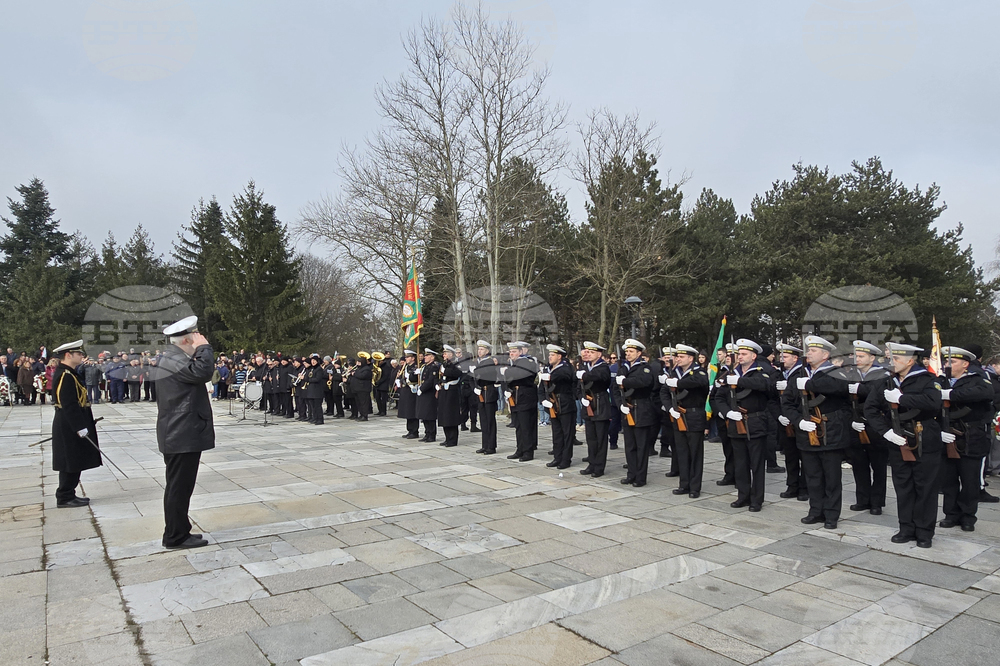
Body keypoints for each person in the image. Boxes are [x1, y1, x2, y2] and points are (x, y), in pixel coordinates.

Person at [864, 343, 943, 549]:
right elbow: (870, 408)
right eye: (891, 359)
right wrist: (886, 432)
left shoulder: (927, 379)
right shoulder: (885, 381)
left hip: (924, 436)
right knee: (903, 485)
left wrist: (903, 398)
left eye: (896, 359)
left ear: (910, 361)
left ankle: (925, 531)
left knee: (925, 486)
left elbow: (934, 402)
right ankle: (906, 527)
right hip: (897, 438)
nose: (892, 363)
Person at [155, 316, 214, 550]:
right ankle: (175, 536)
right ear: (187, 340)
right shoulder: (174, 359)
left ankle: (180, 530)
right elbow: (203, 372)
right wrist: (205, 348)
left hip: (180, 431)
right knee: (179, 488)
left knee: (180, 487)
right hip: (181, 432)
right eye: (195, 340)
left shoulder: (174, 358)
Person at [783, 336, 851, 529]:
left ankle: (831, 515)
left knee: (831, 477)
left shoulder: (836, 373)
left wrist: (810, 385)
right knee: (812, 475)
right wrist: (798, 421)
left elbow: (839, 388)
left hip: (831, 432)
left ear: (825, 354)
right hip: (806, 431)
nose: (809, 353)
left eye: (813, 350)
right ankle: (816, 511)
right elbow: (787, 403)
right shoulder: (800, 374)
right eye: (808, 350)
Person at [938, 345, 995, 532]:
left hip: (971, 437)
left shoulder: (978, 379)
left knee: (970, 481)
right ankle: (951, 514)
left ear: (965, 364)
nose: (948, 365)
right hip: (947, 436)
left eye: (952, 362)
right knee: (949, 480)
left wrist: (951, 394)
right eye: (946, 361)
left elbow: (985, 393)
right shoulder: (941, 380)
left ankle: (968, 516)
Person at [50, 340, 102, 508]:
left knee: (75, 460)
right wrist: (79, 427)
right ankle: (64, 496)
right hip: (68, 424)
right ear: (68, 355)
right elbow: (68, 404)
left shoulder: (71, 373)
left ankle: (69, 493)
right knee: (69, 461)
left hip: (73, 422)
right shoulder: (65, 375)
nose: (81, 356)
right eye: (78, 353)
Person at [722, 339, 771, 511]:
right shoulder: (730, 373)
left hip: (755, 422)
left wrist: (738, 381)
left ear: (753, 355)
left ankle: (757, 499)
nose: (740, 357)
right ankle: (743, 496)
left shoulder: (760, 371)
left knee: (756, 464)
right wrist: (727, 412)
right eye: (739, 354)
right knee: (740, 463)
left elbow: (764, 385)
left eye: (744, 354)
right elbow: (718, 396)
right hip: (735, 423)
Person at [844, 340, 891, 515]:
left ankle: (877, 502)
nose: (857, 359)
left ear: (872, 358)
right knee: (859, 465)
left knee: (878, 466)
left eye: (862, 356)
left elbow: (878, 396)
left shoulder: (881, 375)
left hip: (875, 427)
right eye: (856, 355)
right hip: (855, 425)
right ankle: (862, 499)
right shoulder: (850, 374)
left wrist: (860, 389)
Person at [662, 344, 710, 497]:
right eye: (677, 356)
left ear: (690, 358)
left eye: (681, 357)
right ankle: (684, 484)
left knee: (695, 453)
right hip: (677, 416)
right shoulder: (674, 373)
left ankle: (695, 487)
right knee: (681, 452)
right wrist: (669, 408)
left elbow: (698, 382)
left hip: (694, 416)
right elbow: (664, 392)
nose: (678, 359)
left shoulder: (699, 372)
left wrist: (677, 383)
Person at [615, 339, 656, 487]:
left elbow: (643, 382)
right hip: (627, 410)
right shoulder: (623, 368)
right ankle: (631, 474)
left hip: (641, 410)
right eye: (627, 352)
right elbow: (615, 390)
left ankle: (640, 477)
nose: (628, 354)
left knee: (641, 446)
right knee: (630, 446)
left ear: (639, 353)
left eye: (631, 351)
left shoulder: (645, 368)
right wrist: (620, 405)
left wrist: (625, 382)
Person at [540, 344, 576, 469]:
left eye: (552, 355)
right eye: (549, 355)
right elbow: (541, 388)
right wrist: (543, 400)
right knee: (556, 433)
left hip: (565, 404)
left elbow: (566, 376)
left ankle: (566, 459)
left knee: (567, 433)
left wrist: (551, 377)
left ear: (559, 356)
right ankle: (557, 457)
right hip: (552, 405)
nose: (550, 357)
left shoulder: (565, 367)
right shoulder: (548, 369)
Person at [578, 341, 611, 477]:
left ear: (599, 354)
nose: (589, 354)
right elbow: (579, 386)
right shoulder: (586, 367)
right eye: (588, 352)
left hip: (600, 404)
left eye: (592, 352)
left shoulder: (603, 367)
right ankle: (591, 464)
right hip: (588, 404)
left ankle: (599, 467)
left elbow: (599, 377)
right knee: (591, 438)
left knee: (600, 439)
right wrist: (581, 397)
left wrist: (584, 375)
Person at [504, 341, 540, 461]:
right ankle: (520, 449)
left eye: (514, 351)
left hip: (525, 397)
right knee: (518, 425)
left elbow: (518, 375)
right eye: (510, 352)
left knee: (526, 426)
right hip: (516, 396)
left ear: (521, 352)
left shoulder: (527, 362)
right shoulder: (514, 363)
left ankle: (528, 452)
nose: (511, 354)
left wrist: (508, 373)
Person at [472, 341, 500, 454]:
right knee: (483, 420)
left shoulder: (489, 362)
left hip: (488, 392)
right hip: (480, 393)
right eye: (478, 349)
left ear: (487, 351)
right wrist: (475, 386)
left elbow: (485, 374)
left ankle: (491, 446)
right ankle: (485, 444)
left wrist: (474, 371)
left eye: (482, 349)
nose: (479, 351)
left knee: (490, 420)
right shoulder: (478, 362)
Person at [437, 345, 464, 447]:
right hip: (444, 390)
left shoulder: (456, 363)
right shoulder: (445, 364)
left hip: (452, 391)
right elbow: (442, 377)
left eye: (445, 353)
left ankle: (452, 439)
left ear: (451, 354)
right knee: (444, 415)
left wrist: (445, 371)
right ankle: (447, 438)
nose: (443, 355)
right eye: (443, 353)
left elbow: (458, 373)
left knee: (451, 415)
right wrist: (438, 383)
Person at [416, 349, 440, 441]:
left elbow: (430, 381)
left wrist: (422, 389)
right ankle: (427, 433)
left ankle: (432, 435)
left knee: (429, 415)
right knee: (424, 415)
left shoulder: (433, 367)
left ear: (432, 357)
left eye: (427, 356)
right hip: (424, 393)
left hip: (429, 393)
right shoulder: (425, 366)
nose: (424, 357)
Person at [396, 350, 420, 439]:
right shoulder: (405, 367)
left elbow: (415, 378)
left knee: (412, 412)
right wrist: (399, 380)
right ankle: (410, 430)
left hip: (412, 391)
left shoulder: (415, 367)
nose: (406, 359)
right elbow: (401, 377)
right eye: (406, 357)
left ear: (413, 358)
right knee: (407, 411)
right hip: (405, 391)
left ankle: (414, 431)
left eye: (408, 357)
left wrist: (409, 376)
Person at [351, 352, 374, 421]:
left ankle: (364, 416)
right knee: (359, 403)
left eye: (359, 362)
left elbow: (362, 376)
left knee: (364, 403)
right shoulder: (358, 369)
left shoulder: (367, 369)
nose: (357, 364)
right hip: (357, 389)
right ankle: (361, 415)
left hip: (363, 389)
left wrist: (354, 373)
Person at [373, 352, 392, 416]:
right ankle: (380, 410)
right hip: (379, 385)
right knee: (377, 398)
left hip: (384, 385)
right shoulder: (379, 367)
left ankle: (383, 411)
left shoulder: (386, 367)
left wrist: (378, 381)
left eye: (379, 361)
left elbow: (385, 376)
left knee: (383, 399)